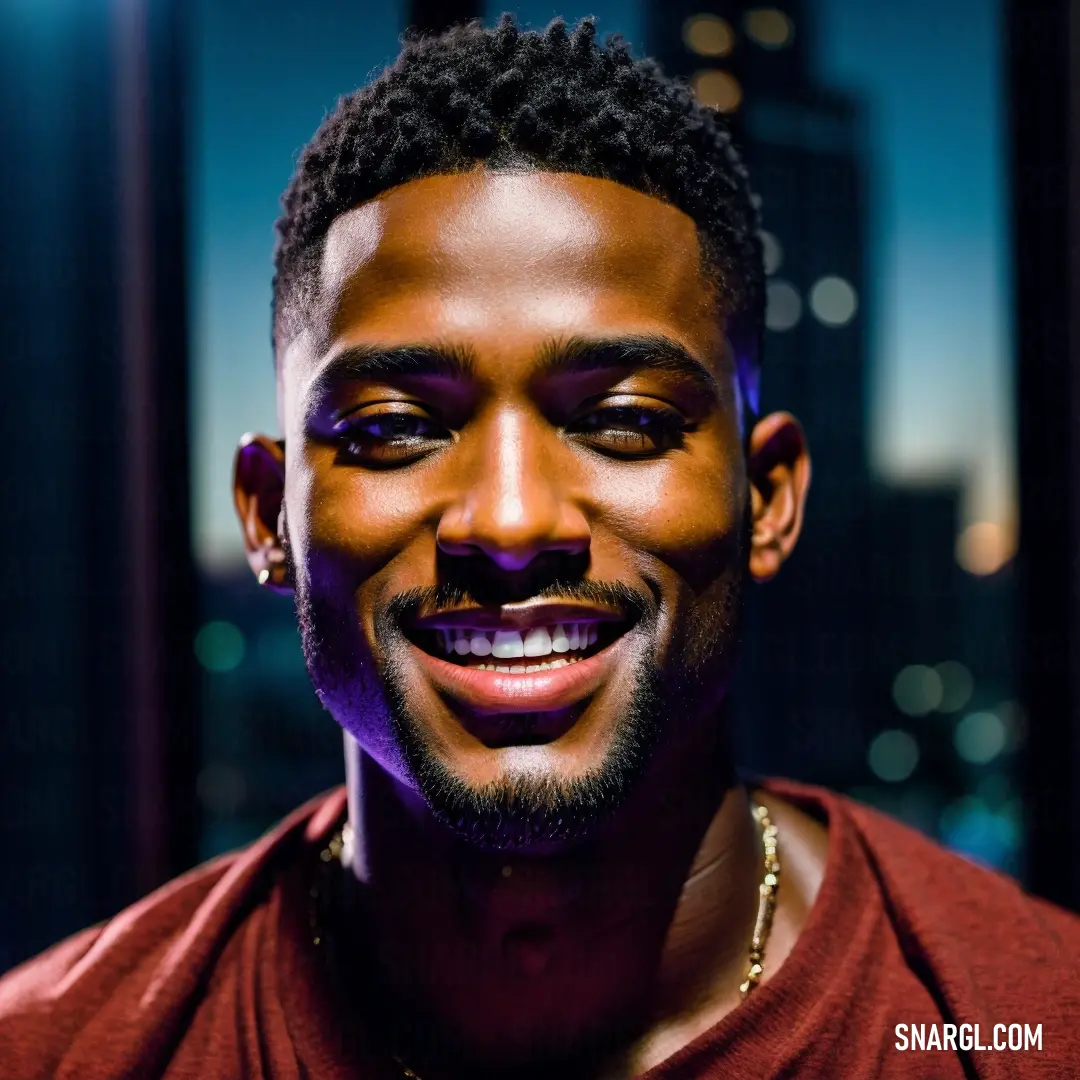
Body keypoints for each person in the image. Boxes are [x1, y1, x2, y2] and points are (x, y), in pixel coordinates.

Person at [1, 15, 1077, 1079]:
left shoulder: (1028, 1027)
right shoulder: (51, 1050)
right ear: (268, 514)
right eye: (393, 430)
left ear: (770, 500)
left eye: (623, 421)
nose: (511, 525)